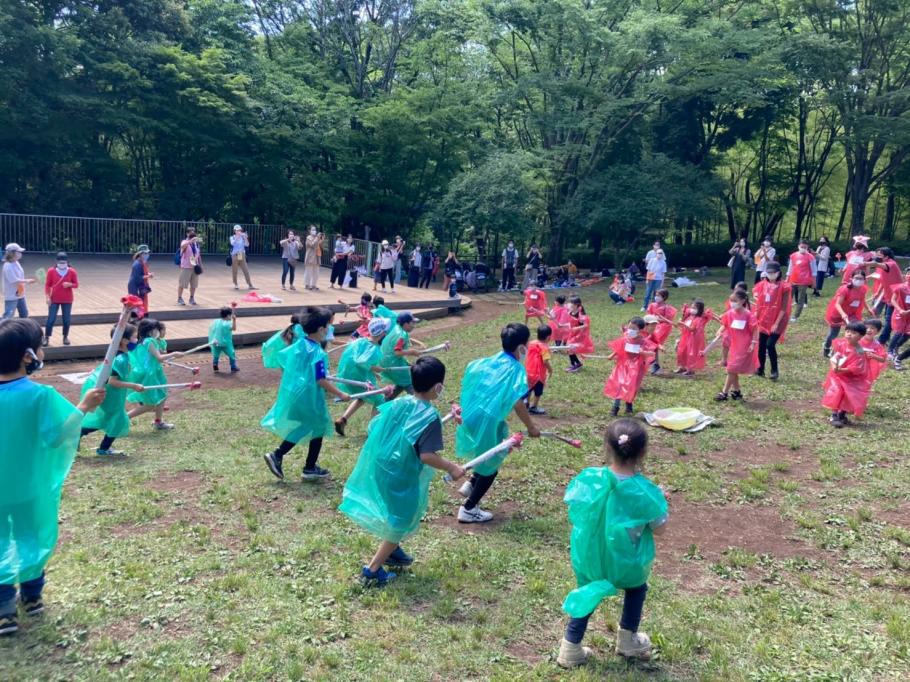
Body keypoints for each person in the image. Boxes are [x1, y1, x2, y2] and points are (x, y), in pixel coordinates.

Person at [0, 318, 105, 637]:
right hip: (28, 487)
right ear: (27, 356)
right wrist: (83, 407)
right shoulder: (40, 395)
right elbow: (57, 436)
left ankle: (4, 608)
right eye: (41, 347)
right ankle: (32, 596)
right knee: (31, 535)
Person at [339, 356, 466, 587]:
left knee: (392, 510)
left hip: (381, 465)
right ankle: (372, 571)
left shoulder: (400, 403)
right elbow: (426, 455)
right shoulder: (429, 416)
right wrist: (452, 467)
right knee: (402, 517)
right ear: (438, 387)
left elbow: (379, 427)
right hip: (401, 474)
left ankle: (392, 549)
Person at [556, 418, 668, 667]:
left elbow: (576, 508)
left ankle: (570, 647)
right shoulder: (646, 492)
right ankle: (627, 639)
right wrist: (658, 499)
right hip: (627, 565)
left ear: (607, 448)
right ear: (643, 453)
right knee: (636, 589)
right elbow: (660, 529)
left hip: (590, 559)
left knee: (588, 592)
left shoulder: (589, 479)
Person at [455, 323, 541, 523]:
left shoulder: (487, 361)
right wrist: (531, 427)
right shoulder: (516, 370)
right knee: (491, 465)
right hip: (487, 420)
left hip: (472, 415)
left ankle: (471, 484)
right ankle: (468, 509)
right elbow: (518, 403)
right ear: (522, 347)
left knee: (485, 453)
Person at [261, 306, 351, 481]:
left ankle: (307, 466)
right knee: (317, 426)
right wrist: (340, 394)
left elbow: (292, 364)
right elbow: (320, 380)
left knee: (313, 426)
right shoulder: (318, 352)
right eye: (327, 326)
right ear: (321, 329)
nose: (329, 329)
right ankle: (281, 456)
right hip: (309, 397)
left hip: (296, 393)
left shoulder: (300, 344)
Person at [79, 323, 145, 456]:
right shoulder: (121, 359)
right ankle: (101, 447)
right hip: (110, 393)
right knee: (117, 419)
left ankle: (81, 436)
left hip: (111, 393)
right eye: (134, 337)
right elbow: (113, 381)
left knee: (109, 418)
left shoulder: (117, 354)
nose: (137, 340)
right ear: (124, 341)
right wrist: (133, 386)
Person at [334, 318, 392, 435]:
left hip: (350, 376)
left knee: (362, 398)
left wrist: (374, 372)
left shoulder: (361, 341)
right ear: (382, 333)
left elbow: (356, 360)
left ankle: (342, 420)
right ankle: (373, 431)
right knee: (379, 399)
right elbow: (361, 362)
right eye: (385, 331)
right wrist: (375, 368)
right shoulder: (374, 349)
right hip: (358, 379)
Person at [704, 290, 758, 401]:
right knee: (733, 369)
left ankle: (724, 393)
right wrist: (720, 330)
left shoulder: (748, 315)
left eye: (735, 300)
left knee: (731, 369)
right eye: (731, 300)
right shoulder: (730, 314)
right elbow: (725, 324)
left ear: (743, 301)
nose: (732, 303)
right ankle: (737, 392)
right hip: (734, 346)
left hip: (745, 346)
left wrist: (753, 343)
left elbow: (755, 330)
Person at [126, 318, 178, 430]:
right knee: (149, 405)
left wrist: (168, 356)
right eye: (157, 329)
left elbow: (155, 357)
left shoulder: (141, 342)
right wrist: (174, 353)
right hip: (150, 375)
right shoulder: (150, 341)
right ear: (150, 331)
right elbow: (159, 358)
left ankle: (158, 422)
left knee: (162, 395)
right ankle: (123, 419)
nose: (158, 331)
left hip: (152, 373)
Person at [822, 321, 870, 428]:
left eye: (853, 333)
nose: (849, 334)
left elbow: (856, 367)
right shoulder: (840, 344)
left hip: (851, 378)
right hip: (837, 375)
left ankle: (842, 414)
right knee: (837, 392)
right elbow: (833, 357)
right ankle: (834, 415)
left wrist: (842, 370)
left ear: (861, 336)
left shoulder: (859, 351)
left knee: (848, 395)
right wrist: (834, 367)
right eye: (847, 331)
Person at [604, 318, 655, 416]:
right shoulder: (626, 338)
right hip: (623, 366)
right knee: (619, 385)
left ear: (640, 330)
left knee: (632, 387)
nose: (630, 330)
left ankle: (629, 404)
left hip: (636, 368)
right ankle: (615, 407)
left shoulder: (643, 342)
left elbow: (651, 353)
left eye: (633, 328)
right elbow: (620, 347)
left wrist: (643, 352)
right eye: (629, 327)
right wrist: (612, 355)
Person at [752, 262, 791, 380]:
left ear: (778, 273)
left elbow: (783, 308)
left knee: (770, 345)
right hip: (764, 319)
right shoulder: (762, 285)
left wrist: (776, 323)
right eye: (769, 273)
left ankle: (774, 370)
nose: (771, 275)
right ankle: (760, 369)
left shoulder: (784, 287)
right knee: (761, 345)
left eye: (773, 272)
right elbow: (757, 296)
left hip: (778, 320)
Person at [823, 270, 872, 358]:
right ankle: (827, 347)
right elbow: (837, 304)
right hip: (838, 313)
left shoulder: (863, 289)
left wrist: (868, 308)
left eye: (861, 278)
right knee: (833, 334)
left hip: (852, 313)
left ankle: (853, 349)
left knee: (856, 330)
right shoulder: (844, 289)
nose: (858, 280)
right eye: (856, 278)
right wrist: (843, 314)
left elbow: (862, 299)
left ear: (865, 279)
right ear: (851, 278)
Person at [380, 313, 425, 397]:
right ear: (406, 324)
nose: (414, 326)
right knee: (408, 381)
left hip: (386, 361)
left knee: (401, 381)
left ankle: (386, 400)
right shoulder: (401, 335)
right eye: (412, 323)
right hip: (392, 363)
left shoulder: (397, 329)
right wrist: (412, 352)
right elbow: (397, 352)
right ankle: (420, 400)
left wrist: (418, 343)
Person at [868, 247, 903, 344]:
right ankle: (886, 338)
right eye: (877, 254)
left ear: (886, 256)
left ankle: (882, 340)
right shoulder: (883, 266)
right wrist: (878, 293)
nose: (877, 256)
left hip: (896, 298)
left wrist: (863, 263)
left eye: (879, 255)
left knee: (889, 320)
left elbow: (875, 264)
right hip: (889, 297)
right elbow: (883, 281)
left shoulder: (890, 264)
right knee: (888, 318)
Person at [43, 252, 78, 347]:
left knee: (66, 319)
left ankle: (65, 336)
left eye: (64, 262)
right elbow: (47, 285)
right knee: (51, 319)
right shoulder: (51, 271)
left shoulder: (72, 271)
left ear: (67, 262)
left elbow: (76, 284)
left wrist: (70, 284)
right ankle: (46, 337)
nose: (62, 264)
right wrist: (47, 297)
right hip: (54, 299)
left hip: (67, 299)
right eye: (60, 262)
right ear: (56, 261)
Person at [674, 299, 713, 376]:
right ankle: (682, 367)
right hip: (685, 337)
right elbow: (685, 326)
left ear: (699, 310)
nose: (692, 309)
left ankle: (690, 369)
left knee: (690, 353)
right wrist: (681, 323)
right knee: (682, 351)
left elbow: (692, 329)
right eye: (692, 307)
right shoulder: (690, 317)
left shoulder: (699, 319)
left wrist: (683, 324)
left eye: (694, 308)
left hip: (693, 338)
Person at [646, 288, 676, 374]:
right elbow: (648, 316)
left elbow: (668, 320)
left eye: (658, 296)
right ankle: (654, 365)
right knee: (651, 345)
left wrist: (659, 319)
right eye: (656, 295)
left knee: (655, 345)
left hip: (662, 328)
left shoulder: (667, 308)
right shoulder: (652, 305)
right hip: (652, 326)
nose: (656, 297)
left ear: (664, 297)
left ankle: (656, 366)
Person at [525, 324, 553, 415]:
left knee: (529, 389)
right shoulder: (544, 348)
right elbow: (545, 361)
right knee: (538, 392)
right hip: (538, 375)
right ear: (548, 337)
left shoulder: (531, 343)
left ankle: (526, 404)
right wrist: (550, 369)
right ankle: (534, 407)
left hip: (528, 371)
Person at [787, 239, 816, 320]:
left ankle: (795, 316)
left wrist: (814, 282)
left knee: (800, 299)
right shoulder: (793, 256)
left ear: (807, 247)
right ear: (798, 246)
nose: (803, 248)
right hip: (793, 280)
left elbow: (814, 271)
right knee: (788, 298)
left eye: (805, 247)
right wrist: (787, 278)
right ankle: (786, 313)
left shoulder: (810, 257)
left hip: (803, 282)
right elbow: (790, 268)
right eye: (801, 246)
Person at [887, 266, 910, 370]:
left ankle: (897, 347)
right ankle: (890, 351)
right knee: (899, 332)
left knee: (908, 333)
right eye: (908, 273)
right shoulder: (900, 287)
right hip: (900, 314)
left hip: (908, 313)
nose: (909, 275)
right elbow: (893, 300)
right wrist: (900, 310)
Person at [2, 243, 33, 319]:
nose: (20, 254)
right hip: (12, 295)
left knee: (24, 314)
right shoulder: (7, 266)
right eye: (18, 252)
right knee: (8, 316)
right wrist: (27, 281)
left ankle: (23, 327)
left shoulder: (16, 262)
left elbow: (20, 276)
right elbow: (13, 280)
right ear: (12, 253)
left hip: (20, 293)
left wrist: (27, 281)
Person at [566, 296, 594, 372]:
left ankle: (576, 364)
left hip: (580, 335)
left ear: (576, 305)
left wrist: (576, 328)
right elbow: (570, 322)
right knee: (569, 349)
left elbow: (586, 325)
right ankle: (574, 364)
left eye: (570, 303)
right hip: (573, 334)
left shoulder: (581, 315)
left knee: (570, 348)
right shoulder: (571, 312)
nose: (568, 304)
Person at [176, 229, 202, 306]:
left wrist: (201, 265)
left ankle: (192, 298)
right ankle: (179, 298)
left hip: (194, 266)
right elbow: (182, 246)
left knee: (194, 284)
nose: (192, 234)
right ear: (187, 234)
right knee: (182, 284)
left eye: (194, 232)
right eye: (190, 232)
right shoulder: (185, 242)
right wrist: (190, 241)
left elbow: (198, 255)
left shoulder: (196, 244)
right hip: (186, 266)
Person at [209, 306, 239, 373]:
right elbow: (234, 328)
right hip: (225, 343)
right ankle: (233, 366)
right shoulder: (227, 323)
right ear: (228, 316)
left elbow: (212, 329)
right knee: (232, 353)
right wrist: (234, 320)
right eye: (230, 315)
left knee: (216, 355)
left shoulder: (216, 321)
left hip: (215, 342)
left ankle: (215, 365)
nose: (231, 317)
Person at [860, 319, 887, 385]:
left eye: (872, 328)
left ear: (877, 331)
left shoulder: (877, 345)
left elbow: (883, 359)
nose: (868, 330)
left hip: (866, 370)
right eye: (866, 328)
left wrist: (874, 356)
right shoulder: (856, 339)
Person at [128, 245, 153, 313]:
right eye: (145, 253)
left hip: (141, 285)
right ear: (141, 254)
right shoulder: (137, 264)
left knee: (142, 302)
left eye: (147, 253)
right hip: (135, 286)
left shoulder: (143, 262)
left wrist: (148, 274)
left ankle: (142, 315)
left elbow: (144, 272)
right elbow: (138, 277)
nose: (147, 254)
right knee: (135, 304)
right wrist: (148, 276)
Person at [229, 225, 255, 290]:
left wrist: (245, 237)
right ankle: (235, 284)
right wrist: (238, 237)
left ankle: (250, 284)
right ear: (234, 231)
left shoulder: (243, 237)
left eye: (239, 230)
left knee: (246, 270)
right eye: (237, 230)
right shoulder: (232, 237)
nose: (239, 231)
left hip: (241, 254)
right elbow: (232, 243)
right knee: (235, 270)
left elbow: (247, 245)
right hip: (235, 255)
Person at [303, 226, 323, 291]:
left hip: (317, 257)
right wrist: (317, 238)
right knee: (308, 272)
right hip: (310, 257)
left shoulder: (317, 238)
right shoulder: (308, 238)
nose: (314, 231)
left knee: (316, 273)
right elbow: (312, 245)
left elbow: (319, 246)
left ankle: (314, 285)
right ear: (310, 231)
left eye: (315, 230)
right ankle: (307, 285)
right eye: (313, 230)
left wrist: (321, 239)